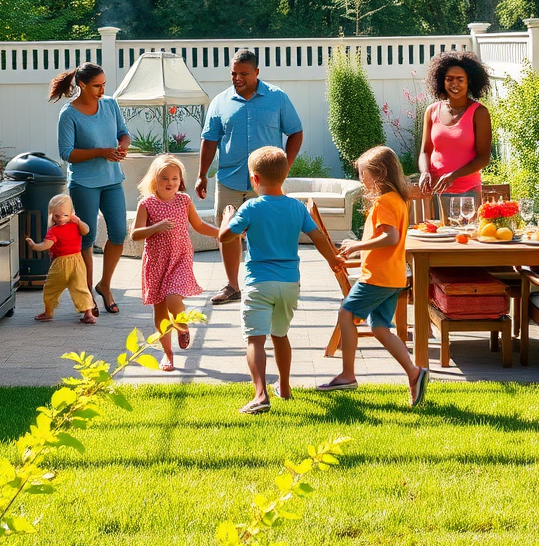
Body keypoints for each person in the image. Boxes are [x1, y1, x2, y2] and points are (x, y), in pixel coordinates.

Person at [219, 146, 344, 415]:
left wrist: (227, 216)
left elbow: (225, 236)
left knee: (255, 339)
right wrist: (333, 260)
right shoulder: (296, 207)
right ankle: (284, 388)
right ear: (286, 174)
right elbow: (318, 237)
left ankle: (261, 394)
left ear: (254, 179)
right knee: (280, 335)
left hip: (259, 283)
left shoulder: (250, 207)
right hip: (289, 284)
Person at [318, 146, 429, 407]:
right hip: (392, 277)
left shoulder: (384, 202)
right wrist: (357, 255)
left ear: (378, 174)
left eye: (363, 174)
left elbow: (390, 238)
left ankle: (347, 374)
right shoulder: (398, 200)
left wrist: (357, 246)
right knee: (380, 328)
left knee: (346, 313)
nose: (361, 179)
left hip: (377, 278)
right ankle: (415, 373)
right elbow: (387, 243)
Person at [197, 50, 304, 305]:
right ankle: (233, 286)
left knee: (274, 230)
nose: (237, 78)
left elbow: (296, 132)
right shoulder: (220, 102)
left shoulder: (277, 98)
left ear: (256, 72)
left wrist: (284, 167)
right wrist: (202, 175)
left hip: (267, 182)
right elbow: (209, 140)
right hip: (229, 180)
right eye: (233, 73)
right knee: (229, 231)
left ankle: (280, 281)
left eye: (243, 74)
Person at [51, 62, 130, 316]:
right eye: (97, 85)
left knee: (118, 233)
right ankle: (87, 294)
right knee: (88, 236)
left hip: (112, 180)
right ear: (82, 85)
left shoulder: (110, 104)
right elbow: (67, 153)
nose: (102, 89)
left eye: (104, 84)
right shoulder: (69, 114)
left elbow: (123, 133)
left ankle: (105, 285)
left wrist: (122, 146)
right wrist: (101, 152)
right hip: (84, 184)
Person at [131, 154, 220, 372]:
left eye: (175, 178)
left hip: (180, 258)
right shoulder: (147, 204)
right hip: (156, 263)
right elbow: (134, 234)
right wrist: (154, 228)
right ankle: (168, 354)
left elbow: (199, 225)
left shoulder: (184, 201)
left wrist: (223, 233)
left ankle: (182, 326)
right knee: (160, 312)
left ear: (181, 180)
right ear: (154, 180)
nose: (170, 182)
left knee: (173, 297)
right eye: (164, 178)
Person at [418, 51, 492, 206]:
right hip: (436, 191)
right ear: (441, 82)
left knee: (466, 231)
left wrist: (452, 176)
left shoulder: (479, 113)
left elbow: (484, 158)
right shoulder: (431, 111)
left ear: (469, 82)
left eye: (460, 79)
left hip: (468, 192)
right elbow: (425, 151)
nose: (454, 84)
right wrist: (425, 172)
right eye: (449, 79)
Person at [24, 194, 96, 324]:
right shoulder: (60, 229)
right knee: (73, 288)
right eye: (57, 216)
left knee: (58, 288)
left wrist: (34, 246)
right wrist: (35, 246)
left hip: (68, 263)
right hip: (71, 263)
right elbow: (47, 245)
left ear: (71, 213)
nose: (62, 219)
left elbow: (86, 231)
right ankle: (84, 313)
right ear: (52, 215)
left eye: (65, 215)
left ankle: (53, 312)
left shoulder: (68, 227)